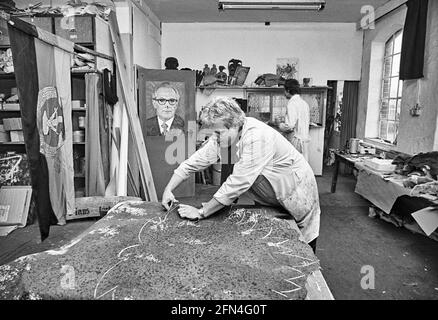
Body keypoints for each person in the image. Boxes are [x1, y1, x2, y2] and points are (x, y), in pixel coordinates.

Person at [161, 96, 320, 253]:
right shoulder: (223, 137)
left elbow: (237, 183)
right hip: (270, 195)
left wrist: (201, 212)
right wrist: (169, 189)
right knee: (273, 246)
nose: (214, 138)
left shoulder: (257, 137)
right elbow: (193, 162)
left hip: (295, 192)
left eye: (217, 133)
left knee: (300, 248)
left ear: (234, 125)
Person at [277, 79, 311, 162]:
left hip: (296, 140)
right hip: (303, 139)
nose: (284, 93)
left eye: (284, 91)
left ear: (288, 90)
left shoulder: (292, 103)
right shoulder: (304, 103)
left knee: (293, 165)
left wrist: (279, 124)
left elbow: (289, 126)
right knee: (302, 165)